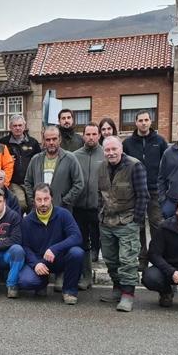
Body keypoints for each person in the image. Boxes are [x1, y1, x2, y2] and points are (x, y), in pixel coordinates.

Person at [98, 136, 149, 312]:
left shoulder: (135, 166)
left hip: (127, 220)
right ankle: (117, 288)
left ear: (121, 149)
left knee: (127, 260)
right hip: (106, 221)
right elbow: (100, 193)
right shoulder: (101, 167)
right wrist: (100, 213)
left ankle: (128, 294)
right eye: (107, 150)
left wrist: (136, 221)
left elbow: (143, 195)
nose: (111, 153)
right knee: (110, 259)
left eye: (114, 149)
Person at [18, 183, 84, 304]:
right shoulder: (27, 221)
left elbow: (76, 237)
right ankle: (42, 283)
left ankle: (69, 291)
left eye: (46, 199)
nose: (43, 203)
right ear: (34, 201)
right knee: (25, 282)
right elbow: (25, 247)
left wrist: (55, 248)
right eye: (39, 199)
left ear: (51, 198)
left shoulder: (63, 214)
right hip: (41, 261)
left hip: (60, 258)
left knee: (77, 253)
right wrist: (35, 264)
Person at [123, 110, 168, 271]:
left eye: (146, 120)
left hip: (155, 191)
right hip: (136, 192)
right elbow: (124, 166)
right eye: (140, 120)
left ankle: (157, 258)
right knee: (139, 226)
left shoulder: (160, 141)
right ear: (135, 122)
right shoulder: (128, 143)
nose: (143, 122)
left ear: (151, 122)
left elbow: (166, 166)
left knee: (157, 225)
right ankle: (142, 259)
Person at [73, 122, 104, 289]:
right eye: (88, 134)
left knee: (106, 242)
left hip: (100, 207)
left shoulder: (106, 153)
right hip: (79, 208)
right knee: (82, 243)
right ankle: (86, 277)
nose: (91, 137)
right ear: (83, 136)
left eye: (94, 134)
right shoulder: (75, 155)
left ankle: (118, 282)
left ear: (99, 135)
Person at [24, 126, 83, 211]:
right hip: (39, 211)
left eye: (54, 139)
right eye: (48, 140)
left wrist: (65, 201)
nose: (51, 142)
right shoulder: (35, 159)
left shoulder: (70, 158)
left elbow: (79, 184)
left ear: (60, 139)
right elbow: (28, 182)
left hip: (62, 211)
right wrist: (34, 200)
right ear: (43, 141)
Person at [0, 114, 41, 212]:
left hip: (31, 181)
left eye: (20, 125)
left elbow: (39, 161)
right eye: (15, 126)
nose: (18, 128)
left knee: (33, 205)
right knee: (20, 205)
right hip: (14, 181)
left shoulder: (33, 142)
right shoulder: (3, 142)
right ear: (10, 127)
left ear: (24, 126)